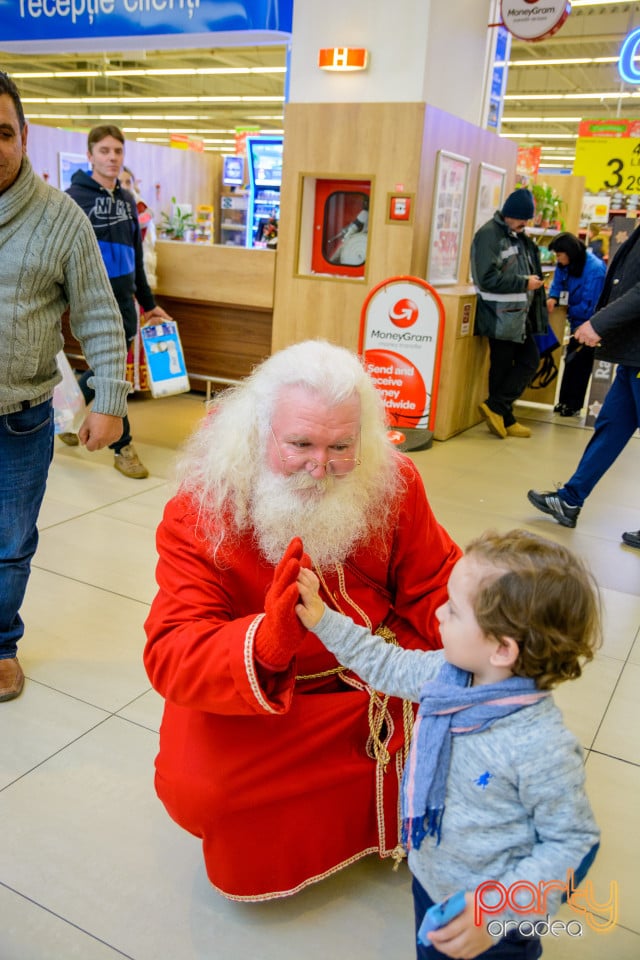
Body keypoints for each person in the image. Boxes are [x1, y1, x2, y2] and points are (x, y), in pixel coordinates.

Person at [143, 339, 461, 901]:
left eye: (341, 446)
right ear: (259, 433)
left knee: (494, 722)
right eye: (300, 444)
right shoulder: (203, 509)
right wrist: (265, 642)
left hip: (384, 669)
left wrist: (487, 630)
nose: (321, 467)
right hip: (272, 697)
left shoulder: (396, 480)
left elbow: (436, 581)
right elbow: (173, 647)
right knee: (203, 789)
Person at [295, 529, 601, 960]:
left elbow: (574, 843)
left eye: (455, 611)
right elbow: (386, 663)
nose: (438, 612)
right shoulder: (449, 675)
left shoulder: (539, 744)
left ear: (501, 649)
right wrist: (324, 620)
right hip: (431, 878)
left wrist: (494, 913)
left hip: (492, 920)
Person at [0, 72, 130, 702]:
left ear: (24, 138)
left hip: (18, 420)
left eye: (2, 132)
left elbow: (100, 315)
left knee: (9, 544)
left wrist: (109, 401)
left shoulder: (61, 218)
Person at [61, 125, 172, 479]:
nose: (112, 158)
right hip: (92, 302)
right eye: (105, 151)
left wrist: (148, 303)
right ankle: (122, 447)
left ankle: (64, 415)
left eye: (118, 152)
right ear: (90, 155)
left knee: (104, 371)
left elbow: (136, 259)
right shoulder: (73, 199)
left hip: (124, 302)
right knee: (113, 373)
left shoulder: (127, 201)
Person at [527, 219, 640, 549]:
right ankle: (570, 500)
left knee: (612, 426)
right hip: (633, 356)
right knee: (611, 427)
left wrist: (598, 323)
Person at [471, 189, 549, 440]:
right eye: (522, 219)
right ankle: (499, 409)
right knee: (512, 364)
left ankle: (502, 412)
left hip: (517, 315)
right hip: (499, 315)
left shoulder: (517, 236)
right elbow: (486, 278)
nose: (525, 224)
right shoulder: (489, 236)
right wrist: (524, 283)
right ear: (510, 215)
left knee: (521, 362)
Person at [546, 232, 606, 417]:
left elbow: (591, 304)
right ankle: (564, 401)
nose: (558, 259)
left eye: (559, 255)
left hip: (589, 325)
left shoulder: (595, 270)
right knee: (570, 361)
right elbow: (558, 282)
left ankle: (573, 404)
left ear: (569, 253)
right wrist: (554, 297)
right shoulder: (565, 265)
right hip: (575, 323)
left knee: (580, 364)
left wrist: (570, 309)